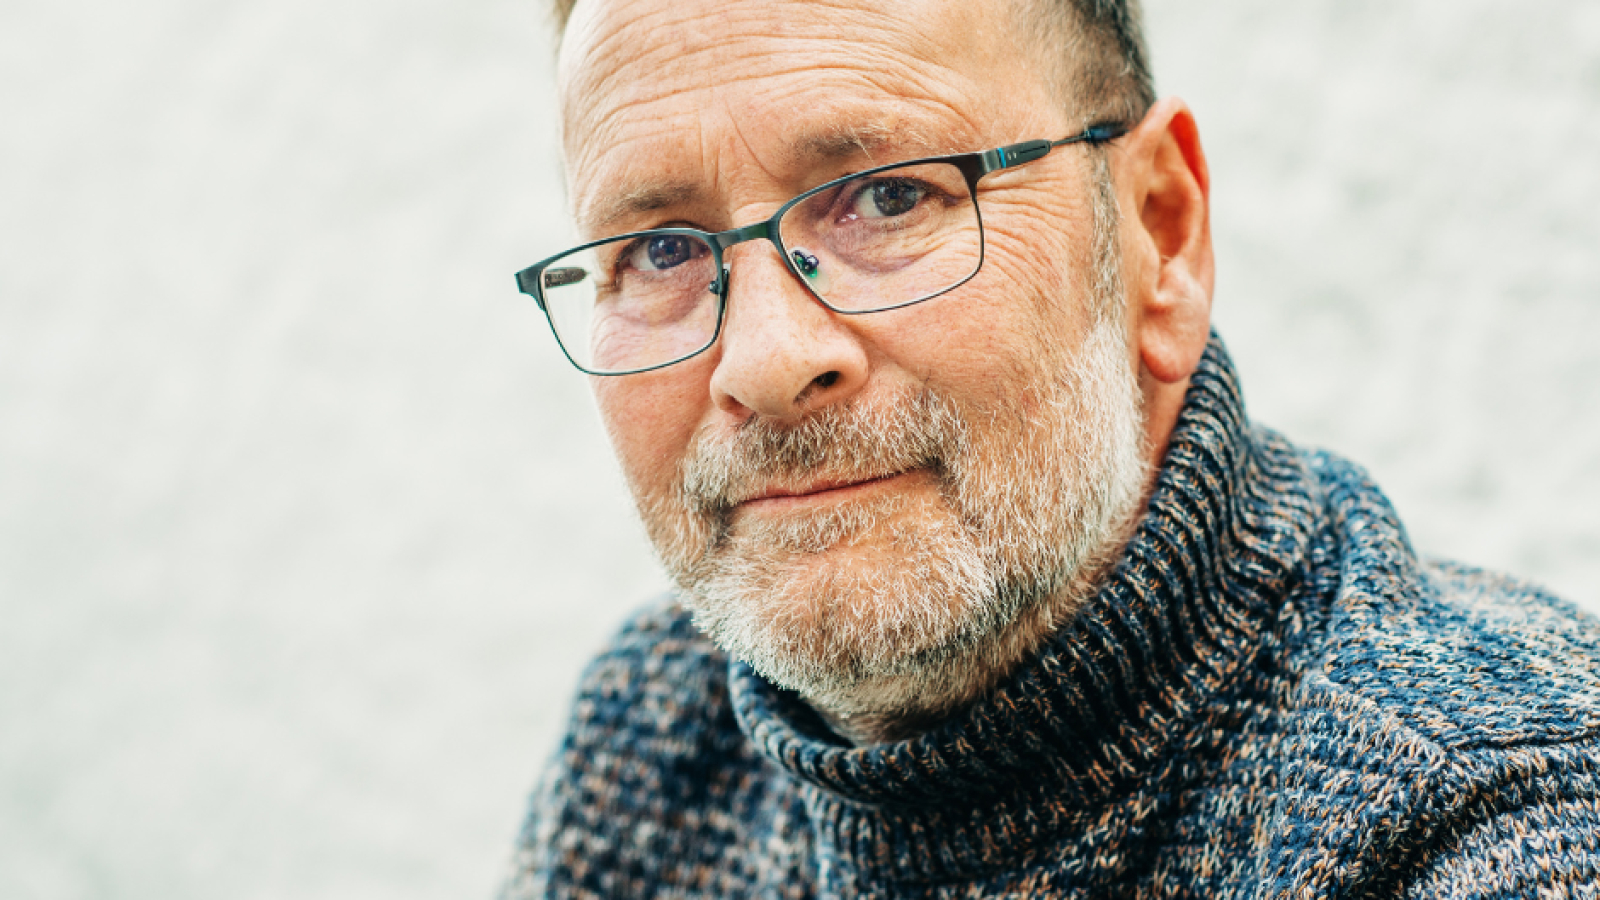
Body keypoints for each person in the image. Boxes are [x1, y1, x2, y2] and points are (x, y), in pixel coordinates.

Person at [502, 0, 1600, 895]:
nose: (764, 361)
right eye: (656, 250)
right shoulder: (655, 732)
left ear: (1158, 231)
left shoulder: (1489, 826)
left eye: (888, 198)